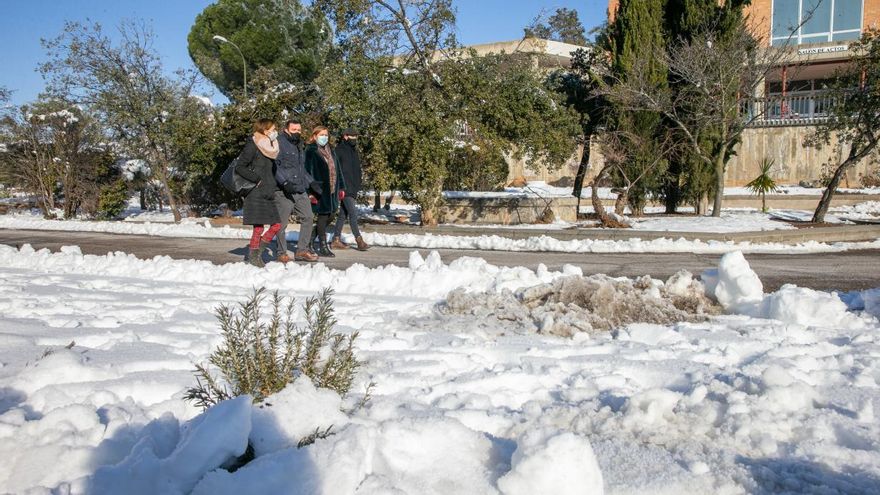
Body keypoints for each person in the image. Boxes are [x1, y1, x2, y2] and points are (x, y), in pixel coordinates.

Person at [235, 118, 282, 267]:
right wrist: (257, 179)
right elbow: (240, 166)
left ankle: (255, 254)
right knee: (259, 227)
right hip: (256, 192)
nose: (275, 132)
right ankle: (254, 257)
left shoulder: (270, 147)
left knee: (276, 225)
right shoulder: (253, 144)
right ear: (264, 130)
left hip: (268, 191)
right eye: (272, 129)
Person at [272, 119, 318, 263]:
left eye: (299, 130)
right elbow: (274, 166)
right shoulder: (278, 142)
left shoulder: (298, 144)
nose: (297, 133)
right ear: (286, 130)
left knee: (308, 217)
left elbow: (301, 168)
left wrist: (312, 182)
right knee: (281, 223)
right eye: (294, 130)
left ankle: (301, 250)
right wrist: (284, 182)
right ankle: (281, 252)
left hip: (299, 188)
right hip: (283, 190)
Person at [304, 126, 345, 257]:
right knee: (322, 216)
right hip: (319, 189)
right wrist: (310, 191)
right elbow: (306, 172)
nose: (324, 137)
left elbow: (338, 169)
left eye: (326, 135)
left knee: (331, 215)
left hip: (332, 189)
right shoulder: (310, 150)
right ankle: (323, 246)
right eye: (321, 135)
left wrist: (342, 187)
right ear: (315, 136)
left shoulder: (330, 150)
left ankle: (310, 239)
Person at [331, 128, 369, 251]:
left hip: (353, 188)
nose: (354, 139)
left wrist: (358, 184)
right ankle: (359, 240)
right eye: (352, 136)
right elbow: (335, 171)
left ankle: (335, 239)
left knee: (343, 214)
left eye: (356, 136)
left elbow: (356, 170)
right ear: (345, 136)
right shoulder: (339, 150)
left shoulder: (354, 152)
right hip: (344, 188)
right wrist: (339, 187)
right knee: (353, 213)